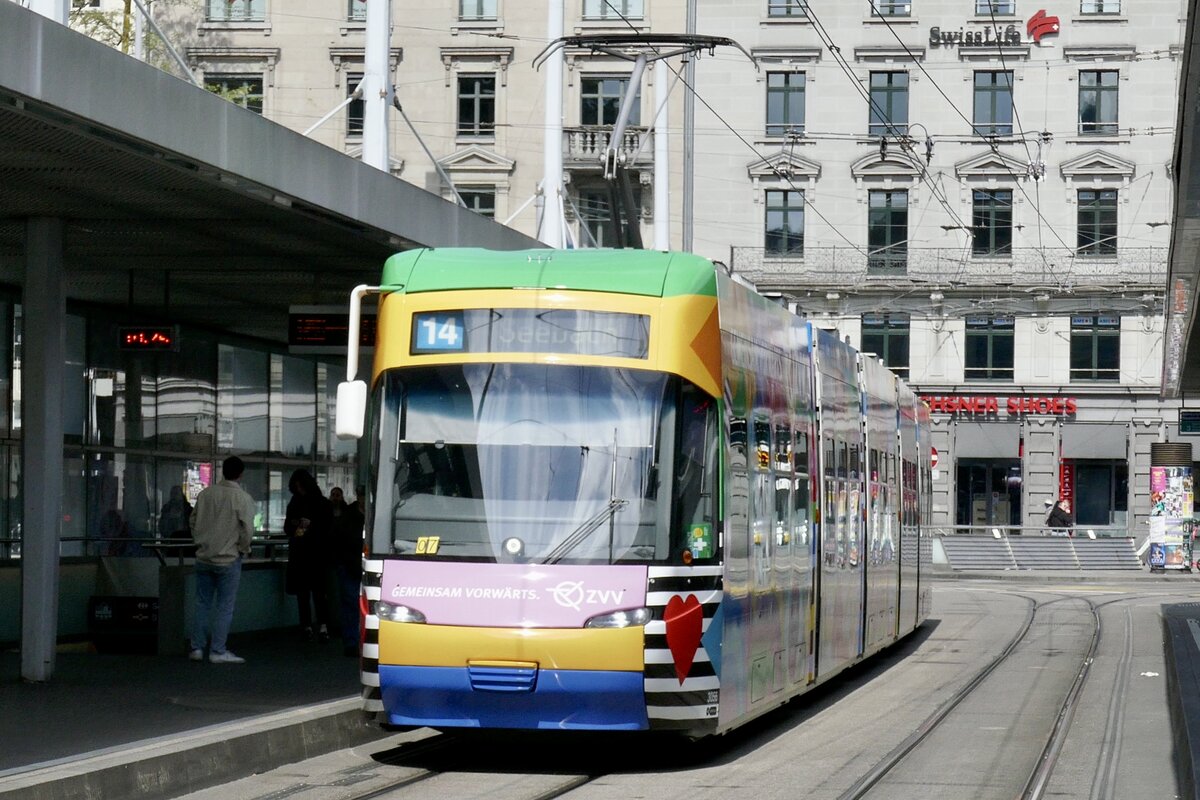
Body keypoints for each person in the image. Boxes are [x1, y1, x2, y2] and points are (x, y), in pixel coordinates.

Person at [189, 456, 255, 664]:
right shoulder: (242, 498)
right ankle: (217, 650)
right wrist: (242, 549)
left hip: (204, 557)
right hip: (228, 559)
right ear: (240, 474)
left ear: (222, 471)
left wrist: (201, 542)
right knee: (224, 606)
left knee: (202, 604)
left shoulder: (206, 494)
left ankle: (197, 648)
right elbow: (247, 530)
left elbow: (193, 521)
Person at [284, 469, 335, 642]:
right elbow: (329, 529)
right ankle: (322, 626)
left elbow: (288, 527)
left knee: (303, 592)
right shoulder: (323, 504)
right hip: (318, 554)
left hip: (301, 552)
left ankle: (307, 625)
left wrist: (297, 527)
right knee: (319, 593)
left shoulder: (294, 502)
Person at [331, 485, 366, 657]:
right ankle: (352, 642)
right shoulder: (349, 517)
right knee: (351, 605)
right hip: (350, 566)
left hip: (356, 566)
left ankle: (356, 641)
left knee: (352, 606)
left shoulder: (348, 515)